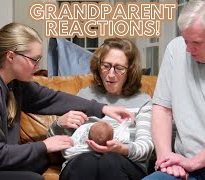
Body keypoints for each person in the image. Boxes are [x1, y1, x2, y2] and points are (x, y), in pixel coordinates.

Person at [0, 23, 133, 180]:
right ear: (11, 56)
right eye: (34, 60)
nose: (38, 66)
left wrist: (102, 108)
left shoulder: (14, 83)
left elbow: (52, 98)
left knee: (41, 160)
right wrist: (45, 145)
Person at [48, 38, 154, 180]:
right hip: (82, 161)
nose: (110, 74)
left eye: (119, 68)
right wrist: (59, 124)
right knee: (87, 161)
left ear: (130, 70)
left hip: (125, 163)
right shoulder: (85, 95)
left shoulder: (143, 101)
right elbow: (57, 141)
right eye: (106, 66)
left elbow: (146, 147)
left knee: (110, 161)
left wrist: (121, 149)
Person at [143, 1, 205, 179]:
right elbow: (162, 109)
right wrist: (165, 159)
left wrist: (195, 162)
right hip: (182, 165)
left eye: (196, 42)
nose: (188, 48)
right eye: (186, 40)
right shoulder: (175, 49)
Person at [62, 116, 132, 161]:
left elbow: (68, 152)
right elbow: (122, 132)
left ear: (88, 139)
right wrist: (125, 123)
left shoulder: (82, 148)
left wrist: (69, 142)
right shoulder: (116, 140)